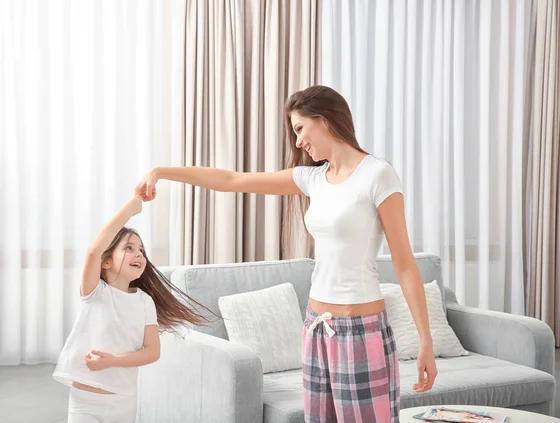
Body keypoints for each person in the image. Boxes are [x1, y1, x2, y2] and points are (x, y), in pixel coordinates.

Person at [136, 85, 438, 422]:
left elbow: (405, 263)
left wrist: (425, 339)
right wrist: (162, 172)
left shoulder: (377, 175)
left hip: (361, 330)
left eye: (299, 129)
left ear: (324, 120)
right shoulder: (313, 179)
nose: (297, 142)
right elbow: (233, 180)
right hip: (315, 327)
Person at [53, 195, 211, 423]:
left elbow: (151, 351)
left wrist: (112, 361)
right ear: (106, 262)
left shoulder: (145, 301)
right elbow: (92, 251)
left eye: (142, 250)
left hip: (124, 401)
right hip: (85, 401)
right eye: (129, 248)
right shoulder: (95, 292)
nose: (139, 254)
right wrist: (128, 210)